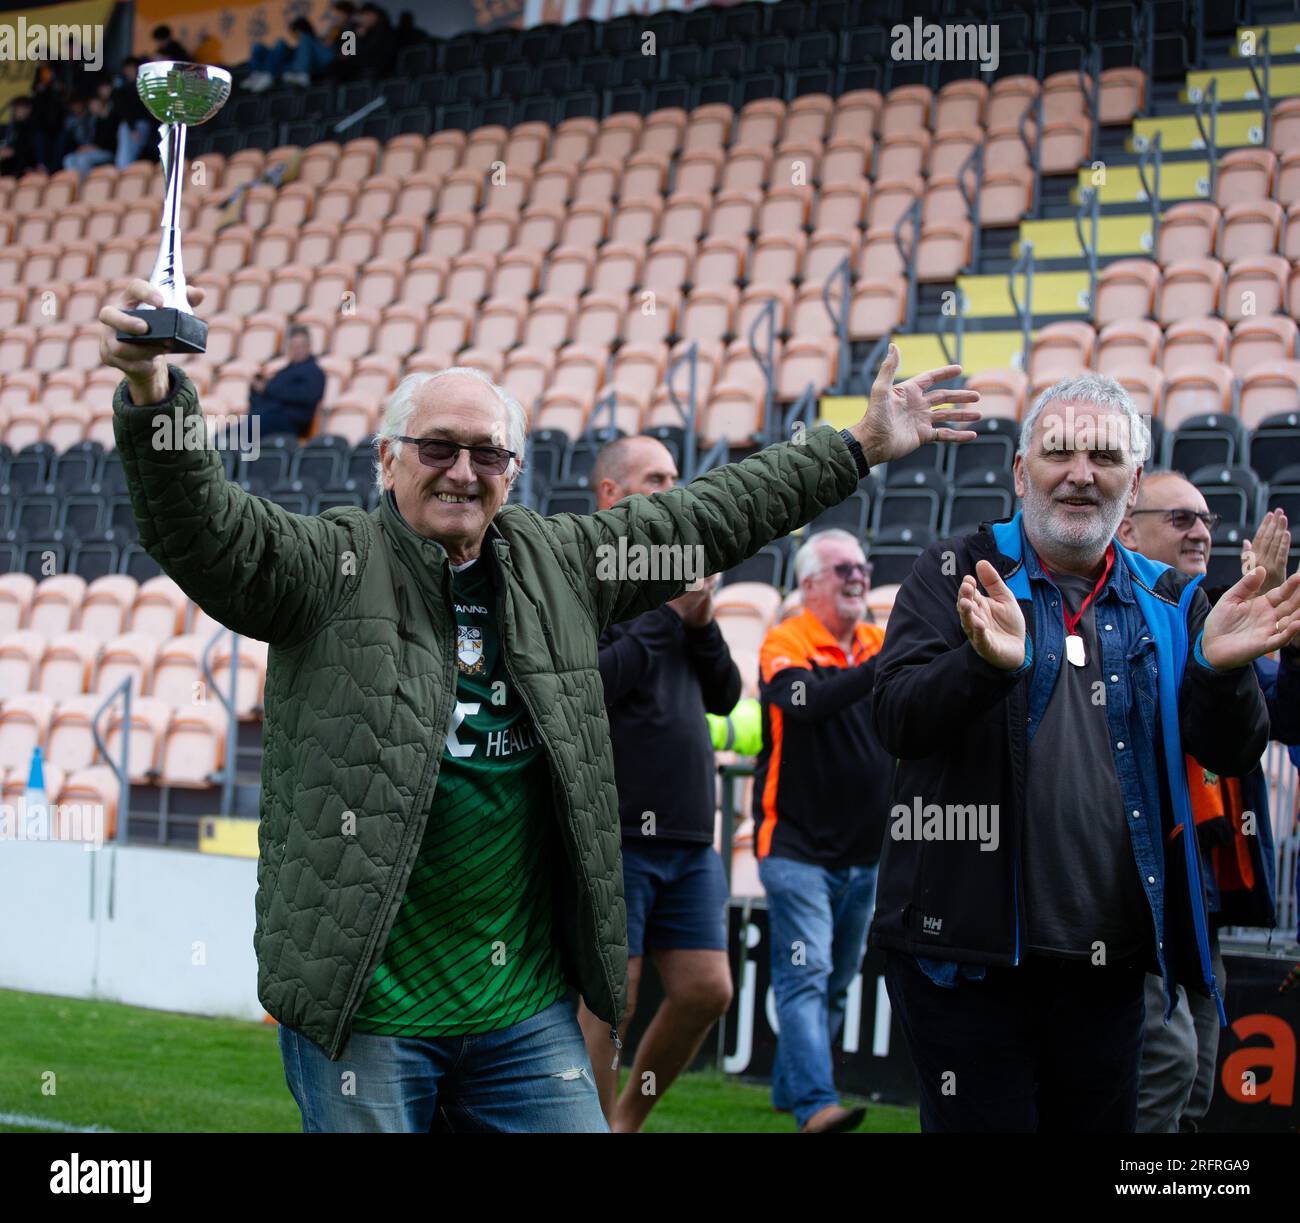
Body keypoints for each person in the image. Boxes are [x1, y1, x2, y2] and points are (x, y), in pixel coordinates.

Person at [99, 282, 981, 1132]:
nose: (462, 470)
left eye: (488, 453)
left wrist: (859, 442)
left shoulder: (560, 565)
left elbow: (713, 513)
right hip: (367, 1007)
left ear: (513, 473)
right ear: (387, 458)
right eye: (437, 447)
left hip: (521, 1007)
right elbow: (209, 530)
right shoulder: (327, 564)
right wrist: (154, 391)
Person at [871, 373, 1300, 1133]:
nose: (1079, 472)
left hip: (1111, 968)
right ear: (1019, 471)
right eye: (1058, 451)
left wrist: (1222, 672)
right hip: (965, 960)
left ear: (1132, 485)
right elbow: (897, 721)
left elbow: (1232, 753)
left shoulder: (1174, 596)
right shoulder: (955, 571)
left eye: (1103, 455)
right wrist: (982, 664)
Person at [1118, 476, 1300, 1132]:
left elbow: (1282, 718)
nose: (1202, 531)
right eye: (1181, 517)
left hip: (1202, 887)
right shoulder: (1116, 617)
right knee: (1168, 1060)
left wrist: (1289, 638)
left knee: (1194, 1078)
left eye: (1207, 517)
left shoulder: (1216, 614)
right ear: (1128, 529)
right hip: (1138, 889)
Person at [574, 436, 739, 1132]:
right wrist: (670, 614)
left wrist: (699, 623)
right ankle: (584, 1124)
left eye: (677, 476)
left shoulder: (676, 582)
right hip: (616, 828)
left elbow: (726, 696)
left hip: (690, 832)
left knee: (707, 989)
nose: (675, 488)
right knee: (615, 997)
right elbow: (597, 682)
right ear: (611, 494)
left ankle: (624, 1120)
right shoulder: (589, 577)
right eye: (656, 478)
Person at [754, 528, 893, 1132]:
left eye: (862, 566)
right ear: (809, 582)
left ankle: (790, 1092)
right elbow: (807, 702)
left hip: (864, 853)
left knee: (835, 984)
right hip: (795, 851)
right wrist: (883, 667)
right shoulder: (786, 641)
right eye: (843, 569)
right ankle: (815, 1108)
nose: (858, 576)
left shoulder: (875, 642)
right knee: (806, 977)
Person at [248, 325, 326, 438]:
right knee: (225, 436)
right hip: (266, 418)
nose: (298, 350)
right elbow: (262, 399)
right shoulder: (283, 372)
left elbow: (306, 396)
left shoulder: (314, 372)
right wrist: (256, 390)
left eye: (301, 346)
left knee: (240, 435)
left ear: (309, 347)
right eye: (294, 346)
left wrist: (267, 388)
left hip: (289, 423)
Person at [245, 18, 336, 92]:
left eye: (295, 34)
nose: (295, 37)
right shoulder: (301, 48)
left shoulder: (313, 41)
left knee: (301, 39)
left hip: (310, 70)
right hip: (291, 70)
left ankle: (299, 74)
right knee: (266, 46)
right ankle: (260, 74)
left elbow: (328, 58)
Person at [112, 58, 151, 171]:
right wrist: (132, 127)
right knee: (124, 155)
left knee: (130, 155)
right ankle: (123, 176)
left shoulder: (145, 86)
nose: (129, 72)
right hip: (130, 125)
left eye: (132, 69)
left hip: (141, 124)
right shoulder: (124, 89)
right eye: (127, 70)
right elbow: (125, 110)